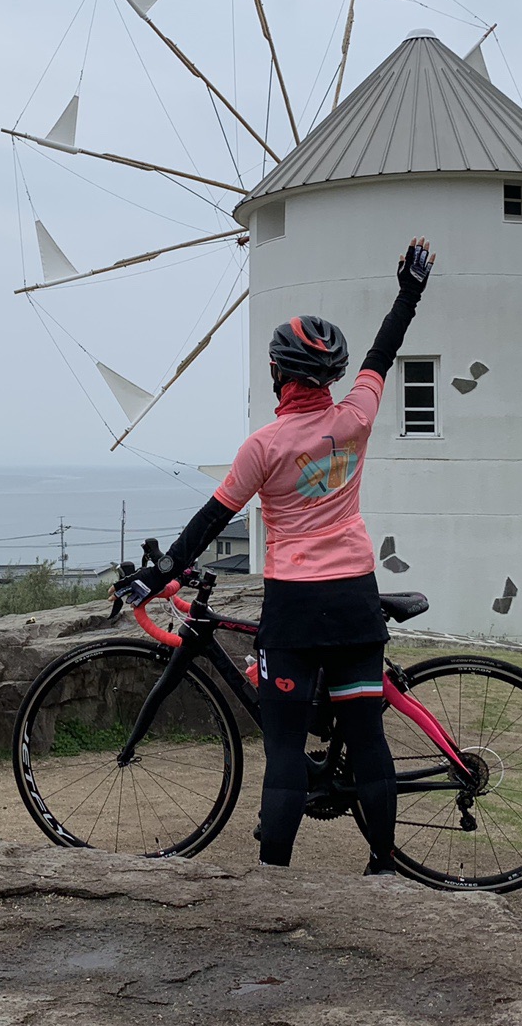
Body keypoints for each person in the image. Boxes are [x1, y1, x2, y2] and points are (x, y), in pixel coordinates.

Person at [117, 237, 435, 876]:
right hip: (353, 597)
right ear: (330, 376)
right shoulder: (358, 418)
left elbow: (212, 521)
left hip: (293, 605)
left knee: (286, 748)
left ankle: (273, 882)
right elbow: (384, 350)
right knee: (368, 737)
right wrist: (410, 290)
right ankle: (383, 867)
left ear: (278, 374)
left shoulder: (262, 447)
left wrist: (160, 575)